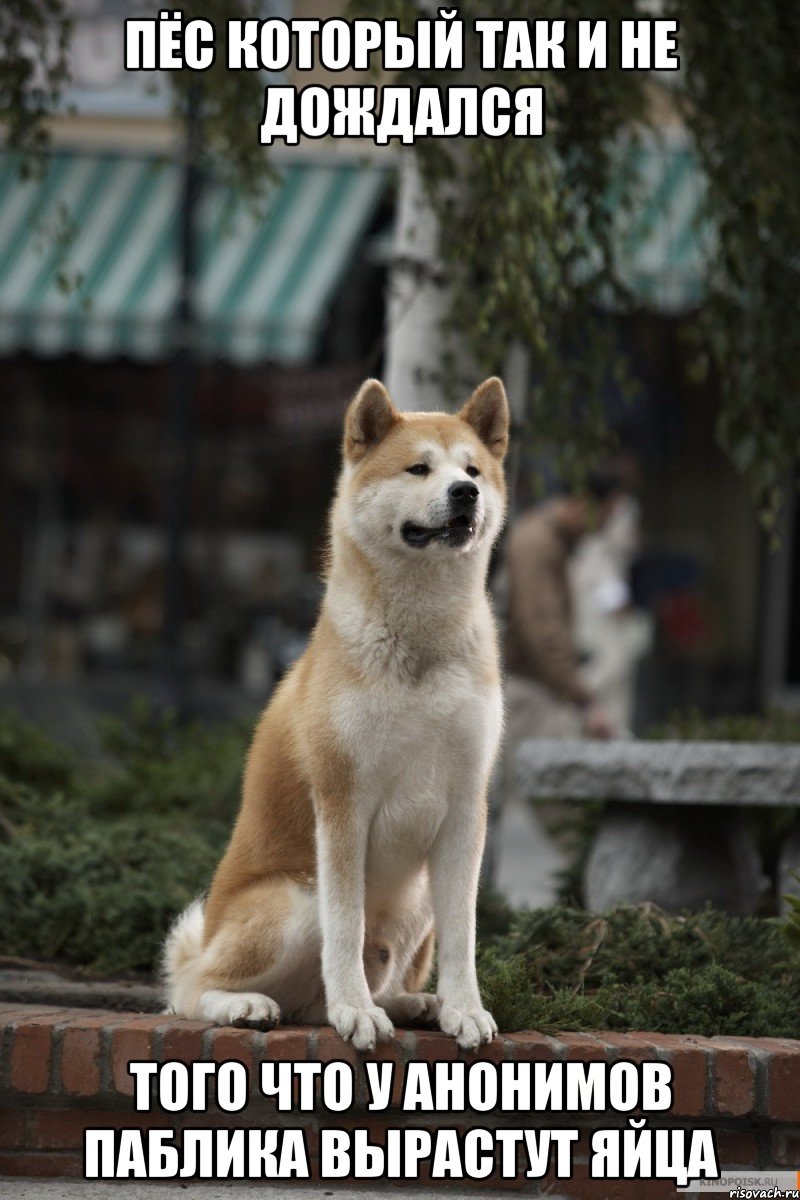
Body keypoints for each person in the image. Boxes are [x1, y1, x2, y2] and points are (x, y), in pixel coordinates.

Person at [504, 470, 627, 743]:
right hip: (527, 691)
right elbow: (542, 630)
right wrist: (583, 701)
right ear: (586, 502)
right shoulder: (538, 544)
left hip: (537, 687)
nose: (605, 527)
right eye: (606, 515)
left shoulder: (551, 541)